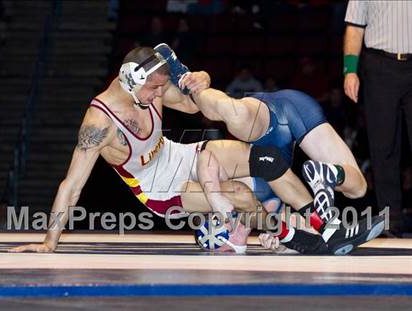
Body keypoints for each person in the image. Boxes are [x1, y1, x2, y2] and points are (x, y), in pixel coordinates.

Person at [9, 47, 328, 255]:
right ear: (130, 80)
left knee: (266, 158)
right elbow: (72, 185)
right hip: (160, 188)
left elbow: (192, 105)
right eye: (155, 88)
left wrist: (202, 79)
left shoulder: (150, 87)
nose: (160, 94)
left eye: (162, 87)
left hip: (178, 154)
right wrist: (49, 242)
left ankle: (321, 222)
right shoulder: (100, 122)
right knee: (242, 195)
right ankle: (292, 238)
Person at [154, 43, 385, 255]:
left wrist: (200, 79)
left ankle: (182, 75)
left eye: (218, 222)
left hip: (265, 120)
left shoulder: (225, 192)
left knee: (233, 113)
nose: (228, 224)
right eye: (226, 230)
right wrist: (283, 243)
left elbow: (207, 159)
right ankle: (330, 175)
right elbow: (308, 225)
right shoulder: (263, 216)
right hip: (299, 114)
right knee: (358, 188)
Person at [343, 0, 412, 234]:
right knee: (383, 146)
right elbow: (354, 26)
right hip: (380, 65)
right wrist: (350, 70)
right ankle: (390, 218)